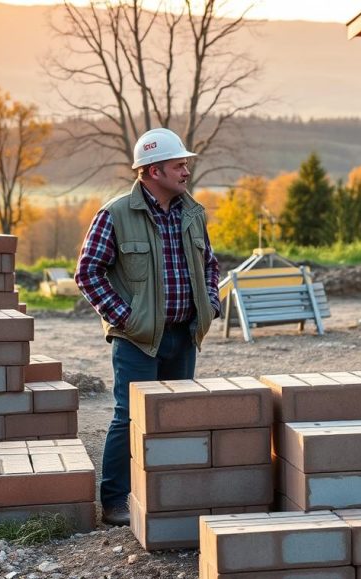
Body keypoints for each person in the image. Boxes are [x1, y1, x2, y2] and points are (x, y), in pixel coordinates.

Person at [75, 128, 221, 526]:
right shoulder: (115, 214)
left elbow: (209, 264)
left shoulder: (193, 212)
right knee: (128, 417)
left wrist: (210, 302)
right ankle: (116, 500)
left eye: (185, 164)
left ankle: (165, 495)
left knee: (174, 417)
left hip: (184, 335)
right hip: (138, 341)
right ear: (154, 171)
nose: (186, 171)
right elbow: (88, 273)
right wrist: (126, 318)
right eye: (179, 165)